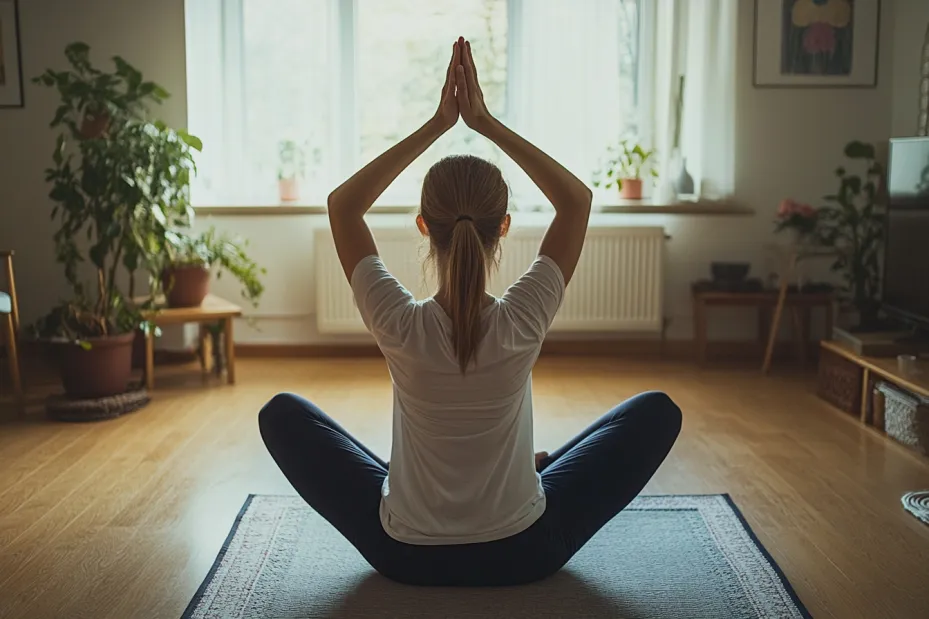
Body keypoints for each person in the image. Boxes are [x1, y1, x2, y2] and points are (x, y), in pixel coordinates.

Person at [259, 37, 681, 587]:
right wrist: (484, 122)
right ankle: (517, 478)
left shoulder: (398, 321)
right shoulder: (522, 318)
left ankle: (420, 484)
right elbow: (577, 201)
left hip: (405, 557)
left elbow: (343, 205)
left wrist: (439, 123)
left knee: (281, 413)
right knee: (657, 411)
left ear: (421, 226)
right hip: (524, 553)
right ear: (503, 227)